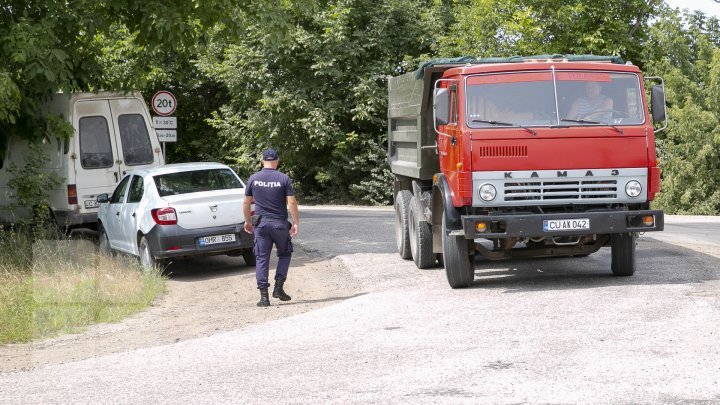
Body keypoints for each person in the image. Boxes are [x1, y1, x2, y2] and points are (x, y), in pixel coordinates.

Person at [243, 149, 300, 307]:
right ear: (277, 161)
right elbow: (292, 203)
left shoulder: (253, 179)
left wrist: (247, 221)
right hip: (279, 224)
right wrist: (295, 223)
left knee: (262, 258)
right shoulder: (283, 178)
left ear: (262, 161)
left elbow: (247, 203)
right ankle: (278, 287)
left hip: (260, 224)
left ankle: (264, 297)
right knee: (285, 253)